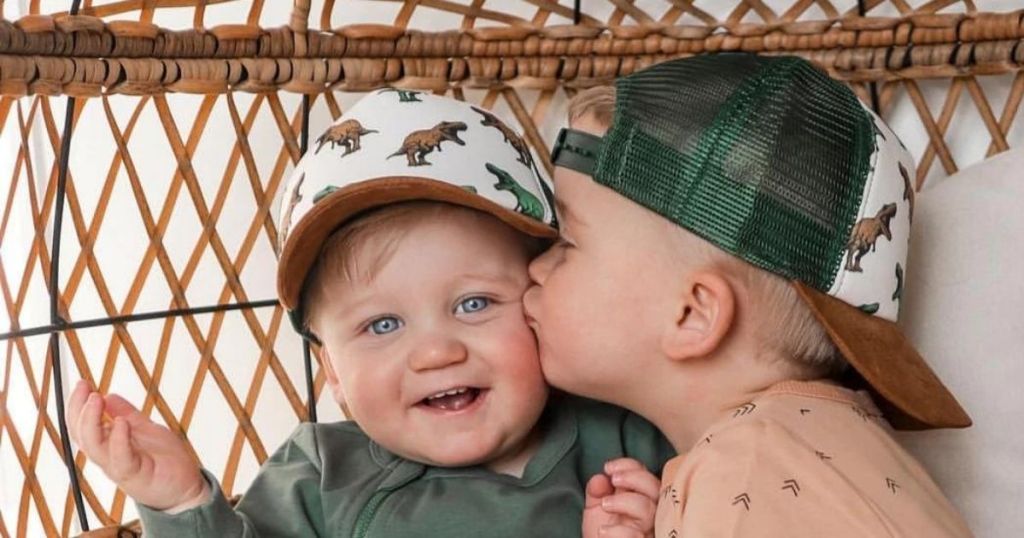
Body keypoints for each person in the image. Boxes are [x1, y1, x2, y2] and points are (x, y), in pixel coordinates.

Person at [67, 90, 674, 537]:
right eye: (382, 325)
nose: (438, 352)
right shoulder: (321, 476)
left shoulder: (625, 438)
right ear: (332, 371)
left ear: (545, 298)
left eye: (474, 303)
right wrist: (182, 503)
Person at [524, 53, 975, 537]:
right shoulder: (839, 443)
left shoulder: (739, 470)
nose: (535, 265)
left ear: (693, 314)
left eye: (568, 242)